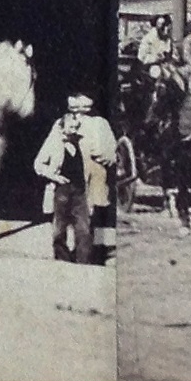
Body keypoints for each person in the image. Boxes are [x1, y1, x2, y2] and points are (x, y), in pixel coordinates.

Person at [34, 93, 116, 264]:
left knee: (85, 225)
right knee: (60, 226)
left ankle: (84, 260)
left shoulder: (99, 124)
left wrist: (104, 155)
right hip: (62, 188)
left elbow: (111, 151)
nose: (78, 121)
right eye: (74, 112)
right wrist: (53, 176)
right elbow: (41, 161)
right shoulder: (59, 127)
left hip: (87, 183)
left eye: (83, 112)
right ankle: (62, 258)